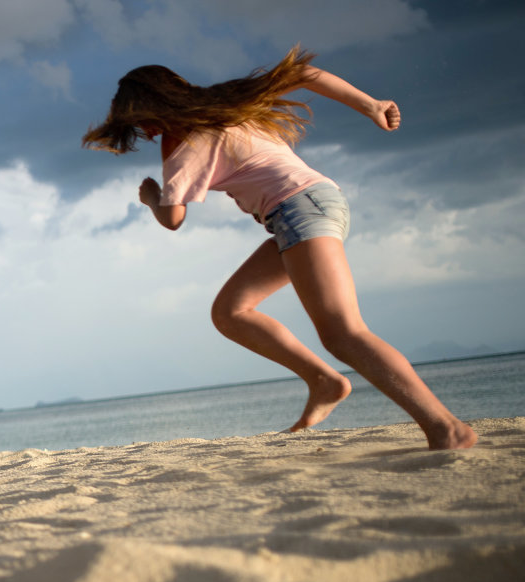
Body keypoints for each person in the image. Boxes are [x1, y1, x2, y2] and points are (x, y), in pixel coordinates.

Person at [82, 47, 476, 450]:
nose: (146, 132)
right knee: (230, 312)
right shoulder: (229, 100)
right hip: (309, 207)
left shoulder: (178, 141)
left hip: (301, 210)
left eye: (142, 120)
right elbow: (303, 73)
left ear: (156, 105)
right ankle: (324, 381)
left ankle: (447, 428)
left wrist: (151, 197)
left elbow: (173, 219)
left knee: (344, 333)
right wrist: (369, 104)